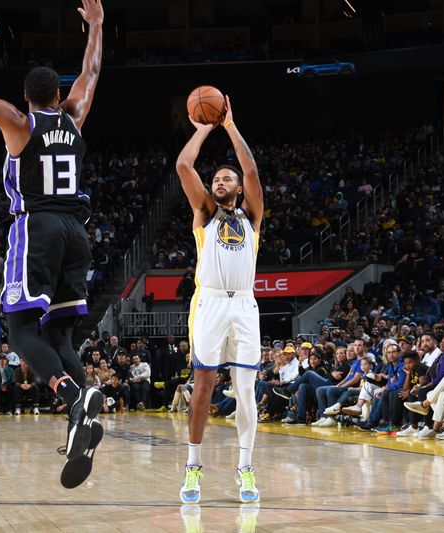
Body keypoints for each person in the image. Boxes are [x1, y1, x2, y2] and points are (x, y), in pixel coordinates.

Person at [0, 0, 105, 489]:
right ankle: (82, 410)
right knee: (60, 337)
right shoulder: (75, 117)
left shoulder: (19, 122)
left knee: (19, 331)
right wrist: (96, 26)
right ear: (59, 94)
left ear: (26, 96)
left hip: (38, 227)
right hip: (79, 232)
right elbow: (92, 70)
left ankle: (69, 394)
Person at [176, 95, 264, 504]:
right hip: (210, 303)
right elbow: (183, 166)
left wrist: (229, 124)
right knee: (204, 386)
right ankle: (193, 466)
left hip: (244, 304)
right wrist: (203, 129)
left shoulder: (252, 216)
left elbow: (250, 168)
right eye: (218, 179)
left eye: (227, 179)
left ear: (239, 188)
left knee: (245, 392)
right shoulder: (205, 214)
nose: (220, 182)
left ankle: (245, 469)